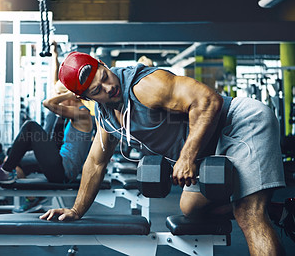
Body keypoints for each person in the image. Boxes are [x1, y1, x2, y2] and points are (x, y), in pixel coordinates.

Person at [40, 51, 286, 255]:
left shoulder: (145, 86)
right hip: (208, 148)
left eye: (105, 76)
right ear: (85, 98)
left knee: (248, 213)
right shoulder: (107, 118)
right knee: (191, 209)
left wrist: (187, 157)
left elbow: (208, 101)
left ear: (103, 64)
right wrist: (76, 210)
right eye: (97, 90)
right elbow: (95, 163)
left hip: (239, 124)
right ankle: (278, 210)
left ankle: (258, 206)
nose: (108, 87)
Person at [0, 80, 94, 185]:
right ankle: (5, 172)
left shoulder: (82, 114)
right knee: (17, 158)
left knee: (30, 126)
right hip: (60, 168)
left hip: (63, 172)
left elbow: (47, 103)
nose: (58, 100)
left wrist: (70, 94)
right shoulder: (72, 116)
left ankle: (4, 172)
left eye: (59, 95)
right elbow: (52, 143)